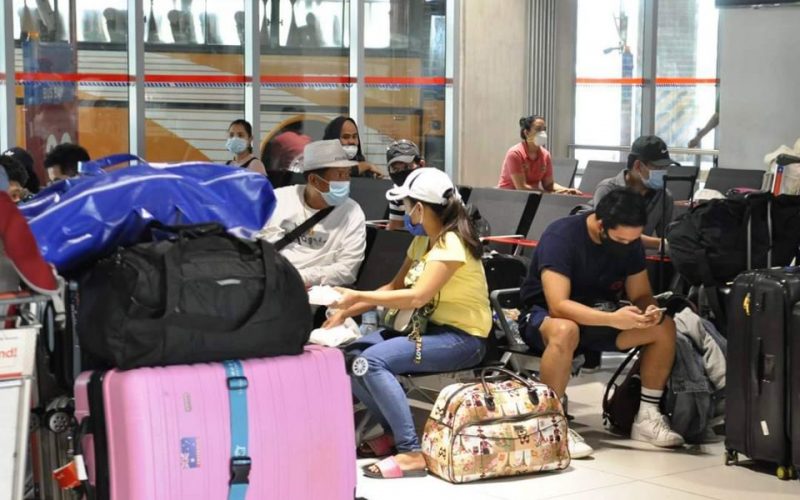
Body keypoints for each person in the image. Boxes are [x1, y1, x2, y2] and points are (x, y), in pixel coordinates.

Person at [325, 168, 490, 479]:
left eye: (407, 205)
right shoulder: (423, 243)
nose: (404, 211)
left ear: (421, 208)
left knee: (372, 362)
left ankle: (411, 453)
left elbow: (416, 297)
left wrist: (356, 294)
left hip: (463, 339)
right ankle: (391, 434)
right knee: (351, 357)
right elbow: (393, 287)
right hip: (427, 331)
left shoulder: (451, 245)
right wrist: (347, 310)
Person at [519, 188, 684, 457]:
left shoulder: (630, 243)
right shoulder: (561, 236)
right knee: (566, 329)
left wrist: (649, 310)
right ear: (600, 224)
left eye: (632, 240)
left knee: (663, 327)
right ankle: (550, 424)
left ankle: (647, 415)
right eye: (620, 239)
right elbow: (558, 305)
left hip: (602, 314)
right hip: (545, 317)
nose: (626, 245)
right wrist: (613, 319)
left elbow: (641, 294)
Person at [256, 139, 366, 287]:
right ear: (314, 180)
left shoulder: (352, 212)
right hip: (266, 283)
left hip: (310, 292)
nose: (346, 181)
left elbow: (347, 270)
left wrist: (298, 278)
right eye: (340, 175)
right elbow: (250, 242)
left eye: (348, 174)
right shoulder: (277, 200)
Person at [591, 135, 678, 251]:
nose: (663, 172)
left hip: (635, 257)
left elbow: (670, 236)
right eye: (658, 167)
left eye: (665, 167)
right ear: (638, 166)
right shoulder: (608, 189)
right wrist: (660, 244)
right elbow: (611, 233)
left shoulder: (664, 196)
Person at [498, 115, 580, 194]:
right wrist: (548, 194)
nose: (543, 133)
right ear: (527, 133)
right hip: (508, 197)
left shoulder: (545, 155)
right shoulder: (515, 153)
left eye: (544, 129)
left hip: (533, 196)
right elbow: (521, 187)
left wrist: (566, 190)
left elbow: (549, 184)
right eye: (538, 129)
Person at [385, 139, 425, 230]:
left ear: (421, 164)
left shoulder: (433, 189)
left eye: (406, 167)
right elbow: (395, 229)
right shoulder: (397, 193)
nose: (401, 173)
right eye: (395, 169)